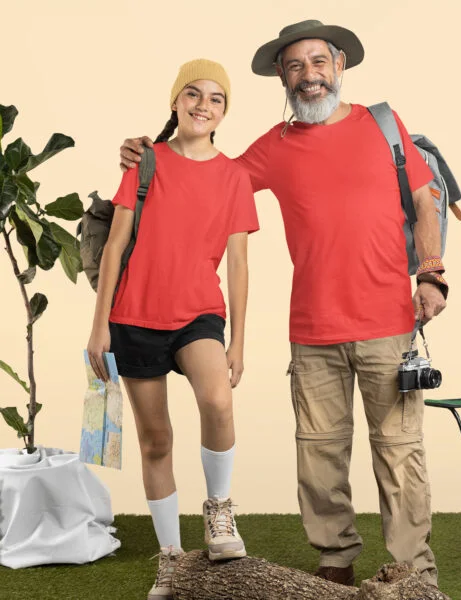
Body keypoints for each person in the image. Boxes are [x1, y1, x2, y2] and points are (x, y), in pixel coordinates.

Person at [119, 20, 448, 590]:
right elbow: (204, 171)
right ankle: (335, 564)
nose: (309, 75)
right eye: (295, 66)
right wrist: (145, 153)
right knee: (319, 458)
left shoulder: (383, 126)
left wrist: (432, 273)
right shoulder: (273, 147)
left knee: (400, 455)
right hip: (312, 329)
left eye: (318, 63)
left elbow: (425, 200)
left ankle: (412, 573)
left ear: (339, 66)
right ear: (281, 76)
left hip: (388, 325)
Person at [89, 58, 259, 600]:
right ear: (175, 101)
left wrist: (237, 341)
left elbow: (237, 262)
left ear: (224, 112)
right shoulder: (145, 163)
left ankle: (219, 512)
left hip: (198, 315)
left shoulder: (235, 176)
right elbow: (114, 247)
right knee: (155, 440)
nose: (203, 105)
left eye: (215, 99)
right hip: (133, 318)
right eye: (193, 94)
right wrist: (98, 329)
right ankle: (171, 560)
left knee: (218, 401)